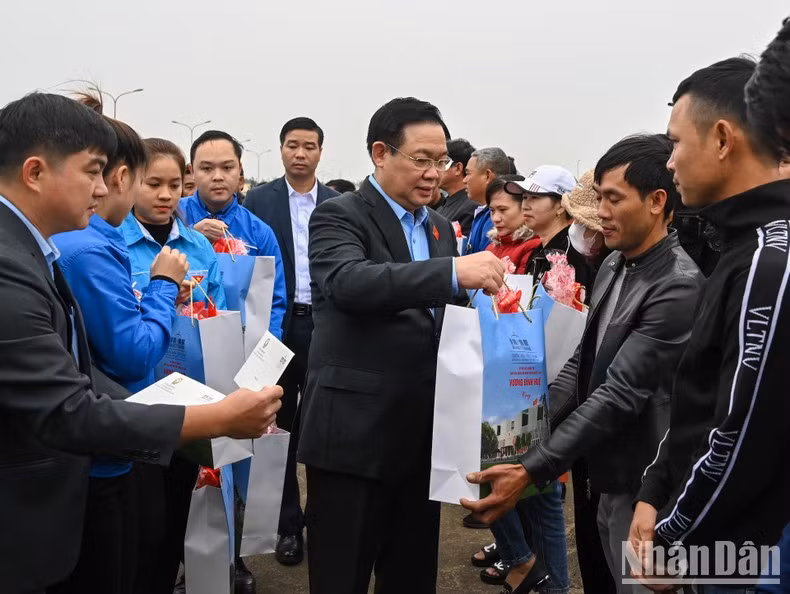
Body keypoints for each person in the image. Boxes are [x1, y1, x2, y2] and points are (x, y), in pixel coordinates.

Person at [0, 92, 282, 594]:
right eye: (94, 171)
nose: (105, 186)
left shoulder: (34, 248)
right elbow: (73, 404)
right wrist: (215, 419)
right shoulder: (33, 260)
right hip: (52, 491)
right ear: (36, 172)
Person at [475, 134, 706, 594]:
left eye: (613, 199)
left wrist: (529, 468)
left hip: (643, 482)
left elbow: (619, 393)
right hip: (603, 468)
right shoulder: (617, 264)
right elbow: (580, 365)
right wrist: (519, 428)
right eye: (599, 197)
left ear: (658, 201)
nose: (601, 212)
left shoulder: (678, 285)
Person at [297, 96, 507, 594]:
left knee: (412, 575)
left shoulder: (437, 227)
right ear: (380, 153)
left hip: (422, 437)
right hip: (352, 436)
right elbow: (350, 282)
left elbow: (444, 319)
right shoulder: (338, 215)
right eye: (421, 160)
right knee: (340, 575)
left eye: (442, 162)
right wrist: (454, 271)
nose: (434, 173)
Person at [628, 56, 790, 590]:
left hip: (753, 552)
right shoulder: (742, 245)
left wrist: (675, 542)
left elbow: (743, 430)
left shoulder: (772, 258)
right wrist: (655, 487)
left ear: (722, 138)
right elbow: (703, 391)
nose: (669, 162)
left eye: (675, 142)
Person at [50, 97, 184, 594]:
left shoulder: (72, 241)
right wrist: (163, 286)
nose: (101, 187)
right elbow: (131, 351)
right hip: (105, 444)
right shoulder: (88, 246)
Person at [119, 138, 228, 594]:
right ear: (127, 183)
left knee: (174, 523)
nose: (165, 196)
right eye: (153, 184)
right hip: (137, 399)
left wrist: (195, 305)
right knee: (137, 530)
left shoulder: (198, 246)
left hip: (190, 399)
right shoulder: (115, 244)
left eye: (173, 185)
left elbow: (219, 314)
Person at [243, 117, 339, 568]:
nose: (300, 154)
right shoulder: (258, 201)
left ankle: (325, 519)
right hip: (278, 325)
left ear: (321, 152)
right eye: (292, 146)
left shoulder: (341, 203)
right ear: (280, 150)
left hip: (326, 324)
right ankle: (287, 524)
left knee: (323, 421)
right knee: (275, 422)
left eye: (309, 146)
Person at [180, 130, 286, 340]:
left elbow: (274, 301)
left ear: (240, 170)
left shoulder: (259, 233)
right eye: (206, 168)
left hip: (241, 343)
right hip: (181, 343)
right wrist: (191, 237)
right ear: (192, 171)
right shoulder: (172, 217)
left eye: (227, 167)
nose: (217, 176)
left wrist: (264, 355)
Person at [507, 166, 594, 293]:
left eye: (535, 197)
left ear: (561, 205)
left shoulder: (571, 253)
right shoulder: (538, 252)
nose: (525, 206)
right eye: (524, 197)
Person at [484, 176, 541, 273]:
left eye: (503, 210)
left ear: (524, 206)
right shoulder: (493, 246)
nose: (495, 218)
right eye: (492, 210)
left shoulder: (533, 246)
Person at [465, 147, 511, 253]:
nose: (464, 180)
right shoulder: (483, 212)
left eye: (467, 173)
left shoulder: (496, 219)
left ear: (487, 175)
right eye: (493, 210)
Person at [435, 138, 478, 236]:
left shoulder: (470, 209)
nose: (435, 170)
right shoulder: (443, 205)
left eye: (442, 163)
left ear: (458, 168)